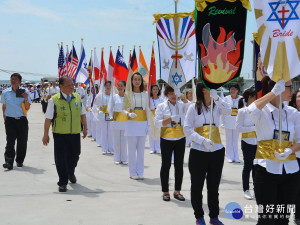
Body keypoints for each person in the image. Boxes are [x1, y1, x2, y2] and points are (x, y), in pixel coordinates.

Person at [247, 77, 300, 225]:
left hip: (290, 172)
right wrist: (273, 93)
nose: (293, 91)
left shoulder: (293, 113)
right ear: (279, 88)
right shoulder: (262, 112)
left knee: (282, 220)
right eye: (289, 87)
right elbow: (249, 110)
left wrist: (290, 151)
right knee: (267, 219)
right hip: (266, 171)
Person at [184, 83, 231, 225]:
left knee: (213, 186)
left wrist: (217, 98)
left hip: (216, 150)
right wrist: (202, 140)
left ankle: (214, 216)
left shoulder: (217, 106)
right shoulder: (193, 107)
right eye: (209, 86)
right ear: (203, 89)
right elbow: (187, 128)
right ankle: (199, 216)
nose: (212, 89)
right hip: (199, 151)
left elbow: (228, 111)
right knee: (197, 186)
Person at [42, 76, 87, 192]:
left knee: (75, 154)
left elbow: (83, 114)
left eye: (72, 85)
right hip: (60, 134)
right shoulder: (54, 100)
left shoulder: (77, 97)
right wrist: (45, 134)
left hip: (75, 132)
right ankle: (62, 182)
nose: (72, 87)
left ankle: (70, 172)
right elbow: (48, 118)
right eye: (69, 85)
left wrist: (85, 127)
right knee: (61, 158)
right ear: (61, 87)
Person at [155, 84, 189, 202]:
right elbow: (157, 123)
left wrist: (182, 96)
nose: (173, 96)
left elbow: (191, 106)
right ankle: (165, 191)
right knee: (166, 165)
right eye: (170, 93)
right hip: (166, 138)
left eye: (175, 93)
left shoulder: (181, 105)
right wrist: (169, 119)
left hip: (180, 137)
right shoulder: (162, 106)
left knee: (179, 165)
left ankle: (177, 191)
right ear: (166, 94)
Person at [123, 72, 150, 180]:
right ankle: (132, 172)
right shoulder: (128, 94)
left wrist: (148, 124)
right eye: (135, 79)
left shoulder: (145, 94)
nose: (137, 81)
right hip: (132, 123)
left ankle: (140, 171)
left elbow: (147, 109)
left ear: (141, 81)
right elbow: (123, 108)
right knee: (132, 149)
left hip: (142, 122)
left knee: (141, 149)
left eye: (139, 79)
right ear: (132, 81)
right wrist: (129, 113)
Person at [1, 73, 31, 170]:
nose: (13, 80)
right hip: (10, 120)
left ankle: (19, 160)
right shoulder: (5, 92)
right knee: (10, 141)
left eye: (15, 79)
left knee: (22, 142)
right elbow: (4, 106)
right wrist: (5, 119)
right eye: (12, 79)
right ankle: (9, 162)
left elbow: (27, 107)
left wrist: (26, 98)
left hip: (22, 120)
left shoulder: (24, 92)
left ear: (20, 81)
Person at [236, 88, 257, 200]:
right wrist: (253, 128)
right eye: (255, 97)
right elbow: (238, 127)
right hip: (247, 142)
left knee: (256, 167)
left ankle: (256, 189)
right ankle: (246, 189)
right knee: (247, 166)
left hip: (257, 142)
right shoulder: (242, 111)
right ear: (250, 97)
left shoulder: (258, 110)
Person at [222, 82, 242, 162]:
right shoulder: (226, 98)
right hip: (228, 122)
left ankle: (236, 157)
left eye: (234, 89)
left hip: (237, 122)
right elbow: (223, 111)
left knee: (235, 140)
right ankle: (229, 156)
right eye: (231, 89)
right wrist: (223, 122)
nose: (233, 90)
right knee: (229, 140)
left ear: (238, 90)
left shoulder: (241, 98)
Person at [109, 80, 128, 164]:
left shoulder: (127, 98)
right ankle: (117, 158)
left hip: (124, 122)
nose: (119, 87)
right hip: (116, 121)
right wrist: (110, 117)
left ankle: (124, 158)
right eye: (118, 85)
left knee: (124, 141)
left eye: (121, 86)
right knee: (116, 141)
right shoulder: (114, 97)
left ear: (124, 87)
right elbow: (110, 108)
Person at [289, 89, 300, 224]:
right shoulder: (290, 114)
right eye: (299, 96)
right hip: (295, 155)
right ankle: (298, 215)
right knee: (297, 188)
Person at [94, 81, 114, 154]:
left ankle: (111, 149)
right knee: (104, 132)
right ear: (104, 86)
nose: (108, 87)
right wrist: (98, 111)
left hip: (110, 116)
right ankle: (104, 149)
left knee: (110, 132)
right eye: (106, 85)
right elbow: (95, 105)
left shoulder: (113, 96)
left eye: (109, 85)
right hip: (103, 115)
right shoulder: (100, 96)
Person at [149, 84, 164, 154]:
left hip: (158, 116)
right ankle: (152, 148)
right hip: (151, 115)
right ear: (151, 91)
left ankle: (158, 148)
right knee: (151, 131)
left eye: (156, 89)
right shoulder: (149, 99)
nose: (155, 91)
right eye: (154, 89)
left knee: (158, 132)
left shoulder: (161, 99)